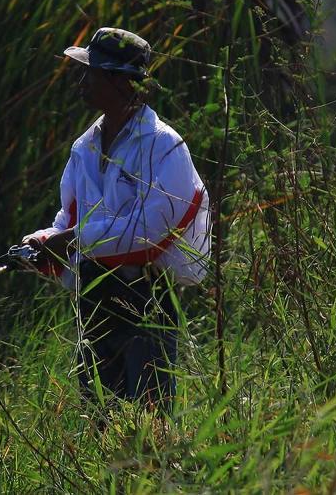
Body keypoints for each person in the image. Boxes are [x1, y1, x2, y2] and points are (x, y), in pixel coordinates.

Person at [22, 27, 210, 412]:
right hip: (93, 299)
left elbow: (151, 235)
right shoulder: (83, 148)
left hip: (148, 299)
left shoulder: (164, 145)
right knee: (99, 415)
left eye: (90, 72)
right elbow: (67, 219)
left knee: (149, 418)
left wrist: (70, 241)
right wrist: (41, 241)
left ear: (118, 80)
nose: (82, 81)